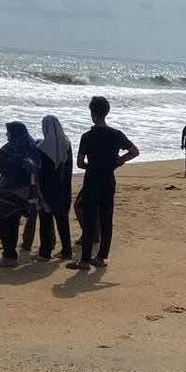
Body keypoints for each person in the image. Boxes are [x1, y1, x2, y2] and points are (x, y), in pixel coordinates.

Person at [67, 97, 139, 271]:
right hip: (108, 179)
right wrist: (117, 162)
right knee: (107, 218)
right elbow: (134, 151)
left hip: (92, 179)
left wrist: (90, 166)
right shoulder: (116, 134)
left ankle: (84, 259)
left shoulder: (87, 136)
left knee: (90, 218)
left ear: (93, 113)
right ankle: (101, 257)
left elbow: (79, 163)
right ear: (106, 112)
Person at [22, 115, 73, 260]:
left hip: (47, 189)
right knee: (63, 220)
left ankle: (45, 252)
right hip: (63, 188)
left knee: (45, 220)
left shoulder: (43, 148)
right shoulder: (67, 144)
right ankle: (67, 250)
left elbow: (39, 169)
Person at [0, 121, 40, 267]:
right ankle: (10, 254)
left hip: (8, 191)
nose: (7, 135)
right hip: (25, 192)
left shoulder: (8, 148)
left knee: (2, 221)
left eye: (8, 132)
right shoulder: (33, 147)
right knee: (14, 221)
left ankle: (9, 255)